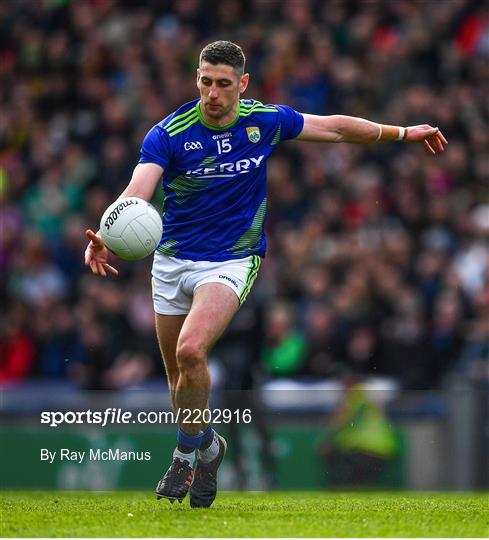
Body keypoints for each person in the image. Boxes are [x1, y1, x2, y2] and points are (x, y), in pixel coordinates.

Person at [84, 40, 447, 507]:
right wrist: (107, 234)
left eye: (222, 84)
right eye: (204, 81)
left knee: (192, 350)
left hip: (232, 259)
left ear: (242, 84)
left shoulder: (263, 121)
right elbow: (137, 191)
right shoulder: (169, 133)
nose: (212, 93)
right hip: (172, 260)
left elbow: (334, 129)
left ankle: (184, 454)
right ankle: (210, 446)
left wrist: (401, 133)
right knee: (179, 379)